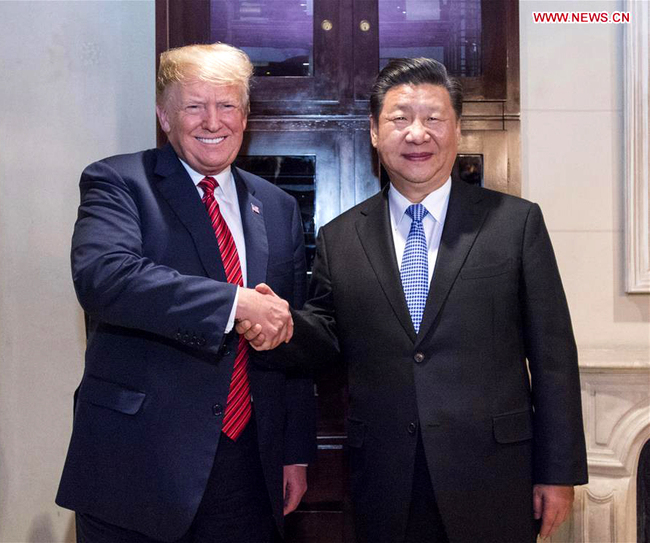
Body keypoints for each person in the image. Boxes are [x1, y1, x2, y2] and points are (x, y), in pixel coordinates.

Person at [238, 58, 588, 543]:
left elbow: (553, 358)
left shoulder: (515, 224)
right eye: (400, 119)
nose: (417, 134)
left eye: (433, 118)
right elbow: (326, 334)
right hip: (384, 477)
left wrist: (559, 471)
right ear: (375, 133)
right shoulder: (341, 237)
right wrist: (280, 326)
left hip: (494, 476)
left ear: (458, 129)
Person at [56, 43, 316, 543]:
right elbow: (104, 278)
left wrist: (294, 451)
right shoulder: (118, 181)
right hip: (138, 468)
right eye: (194, 106)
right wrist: (235, 302)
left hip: (249, 471)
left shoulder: (277, 206)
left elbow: (290, 336)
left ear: (245, 115)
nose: (212, 121)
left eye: (227, 106)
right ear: (164, 116)